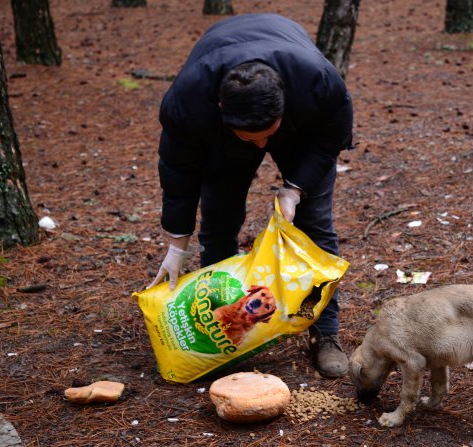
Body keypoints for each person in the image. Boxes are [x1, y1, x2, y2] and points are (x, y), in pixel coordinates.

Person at [146, 13, 354, 378]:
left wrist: (294, 189)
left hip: (301, 132)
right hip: (223, 137)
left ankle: (325, 333)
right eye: (252, 138)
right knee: (219, 222)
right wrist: (176, 246)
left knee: (316, 224)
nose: (261, 146)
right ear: (223, 111)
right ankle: (221, 335)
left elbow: (329, 140)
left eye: (266, 135)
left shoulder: (318, 83)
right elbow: (178, 172)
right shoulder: (188, 102)